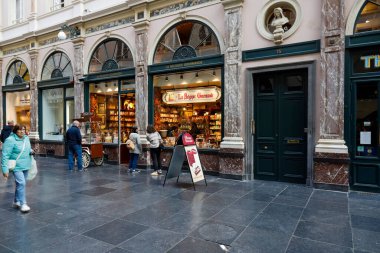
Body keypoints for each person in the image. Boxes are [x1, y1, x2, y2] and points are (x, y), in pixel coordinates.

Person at [1, 125, 33, 213]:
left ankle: (16, 201)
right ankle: (23, 204)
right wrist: (4, 169)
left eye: (23, 129)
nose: (22, 131)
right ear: (15, 131)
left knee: (20, 184)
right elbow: (5, 155)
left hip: (26, 164)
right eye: (19, 130)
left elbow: (28, 148)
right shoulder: (10, 140)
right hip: (16, 166)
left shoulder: (26, 138)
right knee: (21, 183)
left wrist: (31, 151)